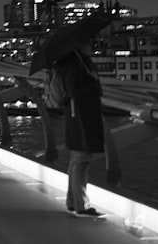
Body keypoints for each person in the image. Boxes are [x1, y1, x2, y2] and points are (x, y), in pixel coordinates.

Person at [59, 40, 106, 218]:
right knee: (82, 157)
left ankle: (73, 201)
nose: (92, 45)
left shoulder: (74, 62)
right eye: (89, 43)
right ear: (79, 46)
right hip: (80, 113)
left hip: (79, 112)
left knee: (78, 156)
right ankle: (81, 205)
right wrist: (93, 82)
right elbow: (74, 89)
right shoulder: (75, 64)